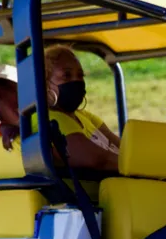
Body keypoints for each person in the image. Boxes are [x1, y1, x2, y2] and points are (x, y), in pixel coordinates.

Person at [43, 45, 119, 174]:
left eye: (80, 75)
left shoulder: (86, 117)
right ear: (45, 83)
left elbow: (124, 148)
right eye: (66, 75)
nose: (76, 81)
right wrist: (140, 166)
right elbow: (95, 160)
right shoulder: (49, 119)